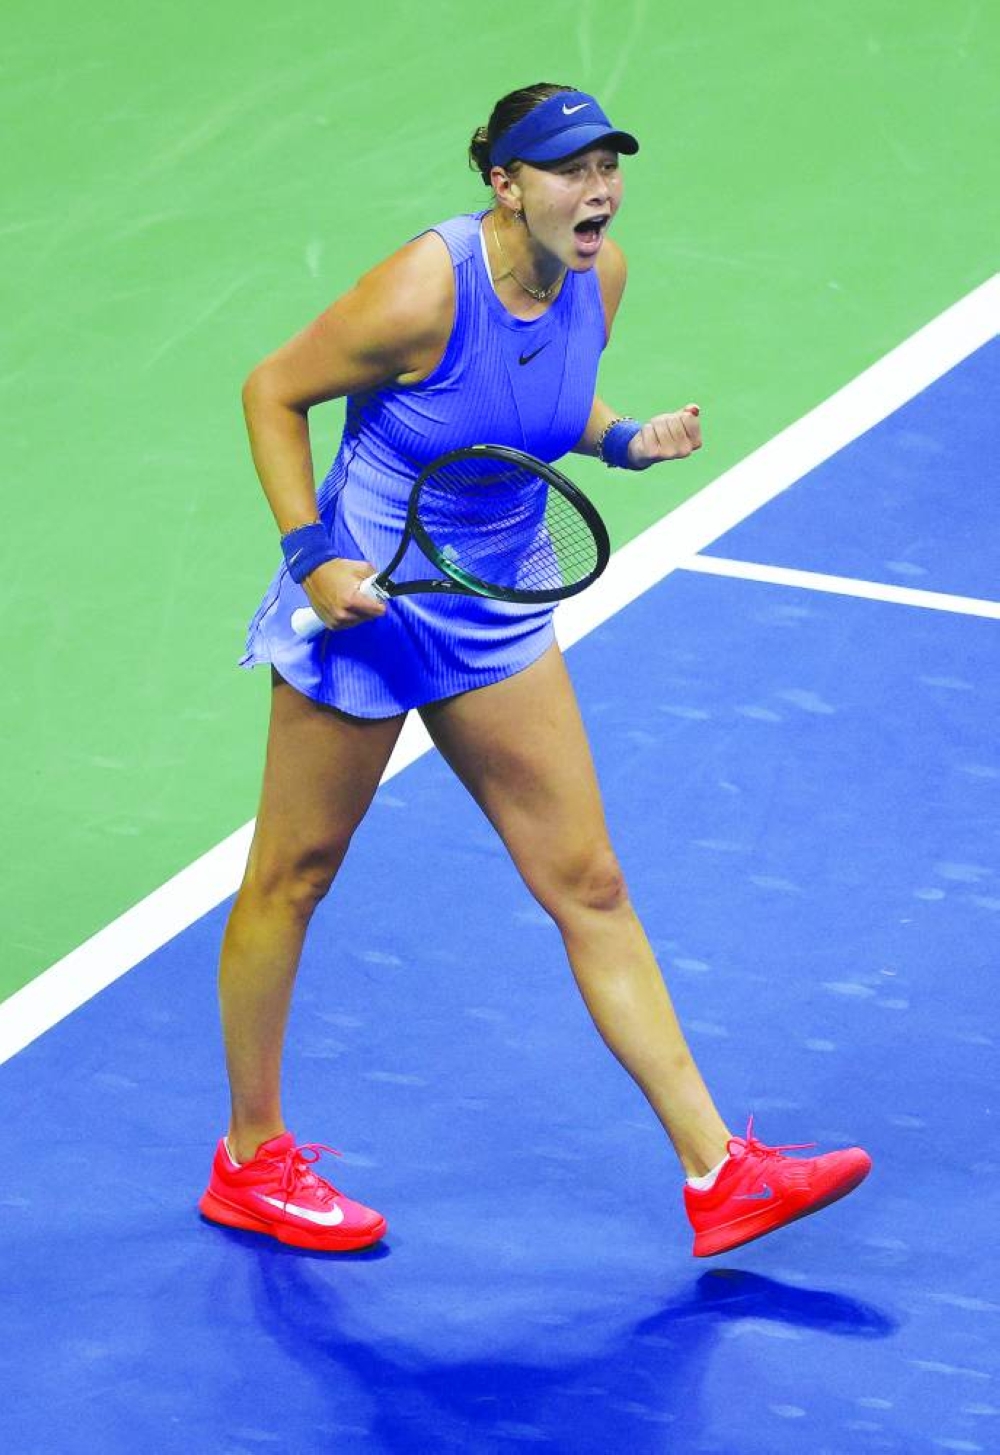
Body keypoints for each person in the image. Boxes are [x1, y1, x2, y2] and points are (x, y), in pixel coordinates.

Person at [199, 82, 871, 1256]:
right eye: (567, 168)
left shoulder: (598, 278)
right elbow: (272, 391)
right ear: (503, 184)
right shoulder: (422, 287)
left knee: (590, 882)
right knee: (292, 875)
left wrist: (621, 441)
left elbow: (537, 401)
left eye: (608, 164)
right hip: (373, 598)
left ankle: (719, 1174)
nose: (597, 187)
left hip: (495, 604)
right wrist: (310, 560)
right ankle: (251, 1158)